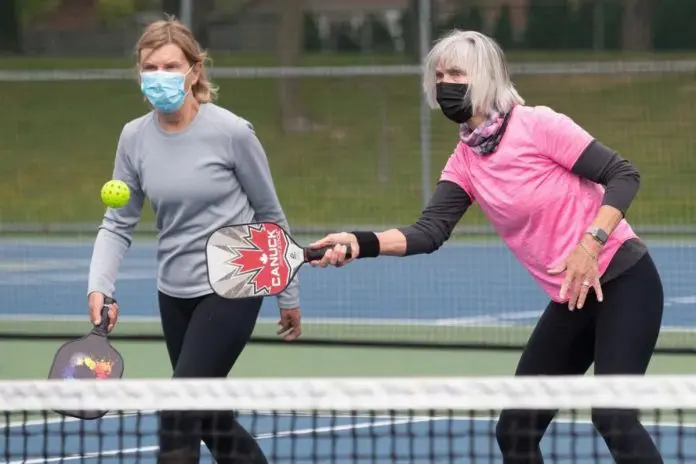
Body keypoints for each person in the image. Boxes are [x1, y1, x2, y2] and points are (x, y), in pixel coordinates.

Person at [308, 30, 664, 464]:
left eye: (456, 72)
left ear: (485, 77)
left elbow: (624, 175)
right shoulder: (465, 162)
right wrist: (358, 243)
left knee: (613, 417)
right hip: (572, 297)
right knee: (515, 430)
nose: (445, 83)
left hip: (625, 282)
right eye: (439, 75)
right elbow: (429, 231)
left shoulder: (537, 125)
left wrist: (590, 244)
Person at [86, 17, 300, 464]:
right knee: (212, 420)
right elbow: (117, 223)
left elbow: (270, 215)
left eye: (170, 66)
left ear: (195, 71)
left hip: (238, 281)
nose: (159, 76)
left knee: (179, 409)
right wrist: (99, 286)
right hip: (175, 290)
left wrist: (288, 294)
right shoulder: (133, 138)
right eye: (150, 67)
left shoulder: (232, 132)